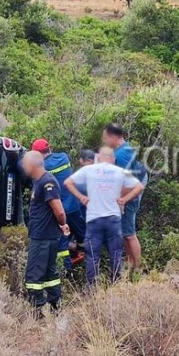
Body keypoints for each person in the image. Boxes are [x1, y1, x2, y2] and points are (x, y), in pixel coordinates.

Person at [64, 147, 144, 288]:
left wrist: (81, 197)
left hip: (94, 219)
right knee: (115, 253)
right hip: (113, 219)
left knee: (92, 255)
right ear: (113, 159)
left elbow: (68, 182)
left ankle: (91, 288)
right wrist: (124, 200)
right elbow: (139, 187)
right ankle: (116, 285)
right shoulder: (119, 171)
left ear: (99, 157)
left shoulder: (89, 170)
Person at [21, 151, 70, 315]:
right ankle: (56, 307)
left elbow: (59, 211)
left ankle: (38, 312)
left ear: (33, 164)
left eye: (25, 163)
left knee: (33, 276)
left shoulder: (47, 182)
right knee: (50, 274)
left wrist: (62, 224)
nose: (23, 166)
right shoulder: (39, 181)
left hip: (43, 237)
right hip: (45, 235)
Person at [31, 139, 86, 269]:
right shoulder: (64, 157)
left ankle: (66, 271)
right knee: (82, 235)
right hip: (74, 206)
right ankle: (88, 262)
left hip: (59, 211)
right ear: (49, 148)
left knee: (62, 243)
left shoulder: (42, 168)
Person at [103, 123, 148, 272]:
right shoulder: (123, 149)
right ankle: (130, 263)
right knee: (125, 232)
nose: (105, 141)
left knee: (129, 234)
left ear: (112, 136)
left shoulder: (121, 155)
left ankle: (138, 268)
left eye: (105, 137)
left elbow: (126, 182)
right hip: (129, 192)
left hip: (129, 195)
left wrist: (121, 201)